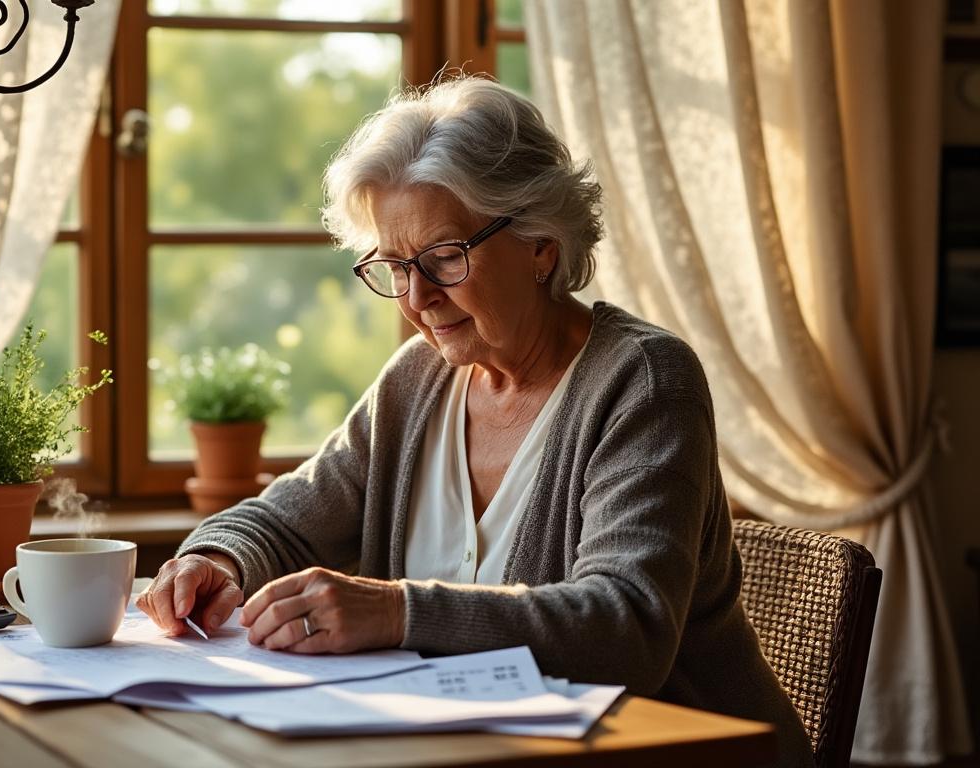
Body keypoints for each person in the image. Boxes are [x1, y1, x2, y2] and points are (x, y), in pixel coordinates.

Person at [137, 75, 813, 767]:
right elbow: (285, 519)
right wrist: (212, 558)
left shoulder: (643, 380)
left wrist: (397, 611)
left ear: (541, 243)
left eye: (444, 257)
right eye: (395, 267)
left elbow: (625, 628)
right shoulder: (417, 379)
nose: (418, 297)